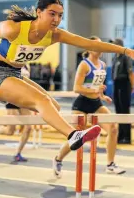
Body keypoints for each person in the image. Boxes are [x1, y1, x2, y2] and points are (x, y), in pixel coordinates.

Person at [0, 0, 134, 158]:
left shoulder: (55, 35)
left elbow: (91, 44)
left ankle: (38, 118)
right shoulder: (12, 29)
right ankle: (73, 135)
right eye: (52, 14)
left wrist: (126, 51)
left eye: (60, 15)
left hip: (17, 75)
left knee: (54, 107)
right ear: (39, 12)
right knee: (43, 101)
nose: (57, 20)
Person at [52, 36, 125, 178]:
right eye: (97, 45)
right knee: (77, 136)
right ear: (90, 48)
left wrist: (102, 95)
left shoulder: (103, 65)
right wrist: (94, 91)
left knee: (114, 128)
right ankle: (58, 158)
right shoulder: (84, 65)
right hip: (81, 104)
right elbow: (76, 88)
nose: (101, 48)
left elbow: (96, 86)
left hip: (96, 104)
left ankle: (110, 164)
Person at [0, 64, 32, 162]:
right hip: (12, 98)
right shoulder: (10, 62)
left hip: (23, 98)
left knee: (29, 127)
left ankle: (18, 153)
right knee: (10, 131)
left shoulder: (27, 65)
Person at [111, 38, 134, 144]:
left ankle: (127, 137)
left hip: (124, 84)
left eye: (115, 45)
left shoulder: (126, 57)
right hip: (116, 84)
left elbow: (131, 72)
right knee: (118, 110)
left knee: (125, 110)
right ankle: (120, 135)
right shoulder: (115, 58)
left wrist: (132, 86)